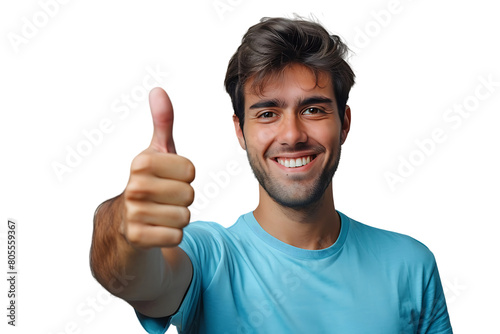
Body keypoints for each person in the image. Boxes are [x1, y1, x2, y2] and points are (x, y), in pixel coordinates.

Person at [90, 17, 453, 334]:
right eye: (267, 113)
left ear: (344, 124)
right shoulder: (209, 258)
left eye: (312, 109)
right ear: (240, 131)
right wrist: (125, 225)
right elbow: (133, 278)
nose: (292, 135)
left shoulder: (411, 265)